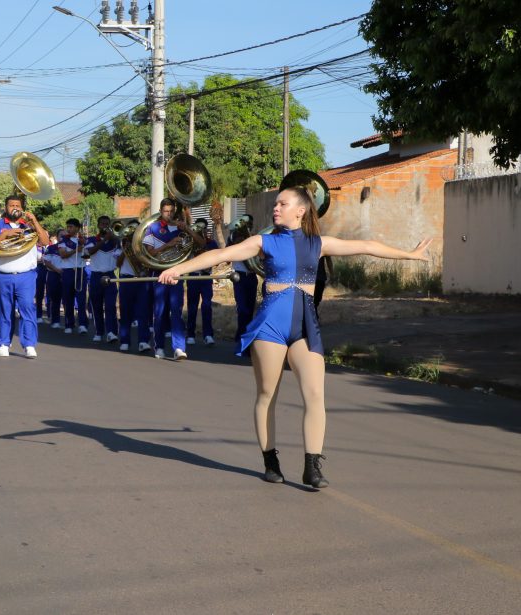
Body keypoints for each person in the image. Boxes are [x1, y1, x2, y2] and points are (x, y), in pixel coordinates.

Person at [158, 185, 432, 488]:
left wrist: (410, 255)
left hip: (305, 327)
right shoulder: (263, 242)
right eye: (275, 204)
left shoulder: (318, 243)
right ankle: (270, 460)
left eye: (282, 204)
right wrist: (180, 268)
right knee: (267, 396)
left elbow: (367, 245)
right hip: (270, 326)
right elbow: (221, 254)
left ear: (301, 210)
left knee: (315, 395)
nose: (275, 208)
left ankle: (312, 465)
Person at [0, 195, 49, 357]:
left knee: (27, 308)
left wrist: (34, 222)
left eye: (18, 205)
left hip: (25, 275)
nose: (15, 207)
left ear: (22, 208)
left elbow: (44, 241)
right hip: (2, 274)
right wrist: (5, 234)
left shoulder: (29, 226)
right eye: (11, 205)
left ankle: (29, 344)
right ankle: (4, 343)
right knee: (4, 310)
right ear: (5, 208)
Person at [143, 199, 204, 360]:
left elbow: (201, 243)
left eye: (171, 211)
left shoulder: (180, 228)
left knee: (176, 311)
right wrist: (169, 244)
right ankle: (160, 347)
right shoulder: (153, 228)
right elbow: (149, 253)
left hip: (176, 274)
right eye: (166, 211)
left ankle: (179, 348)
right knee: (160, 312)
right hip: (159, 274)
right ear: (161, 211)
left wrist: (188, 230)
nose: (169, 215)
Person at [84, 215, 119, 343]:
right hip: (96, 275)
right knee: (97, 306)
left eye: (107, 224)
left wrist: (113, 237)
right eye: (103, 224)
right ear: (98, 225)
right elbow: (88, 253)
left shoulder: (114, 241)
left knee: (110, 305)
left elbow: (121, 245)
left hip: (110, 275)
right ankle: (99, 332)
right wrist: (104, 240)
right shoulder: (92, 239)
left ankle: (112, 332)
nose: (105, 226)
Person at [228, 214, 259, 350]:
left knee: (250, 310)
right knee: (242, 309)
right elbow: (228, 254)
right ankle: (241, 338)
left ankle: (244, 338)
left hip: (252, 276)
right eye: (246, 224)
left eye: (249, 224)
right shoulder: (233, 237)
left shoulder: (255, 237)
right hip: (239, 276)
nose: (248, 226)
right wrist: (239, 242)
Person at [185, 219, 218, 346]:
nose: (200, 230)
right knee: (192, 307)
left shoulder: (211, 243)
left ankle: (208, 335)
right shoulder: (189, 242)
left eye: (203, 228)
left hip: (205, 277)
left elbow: (216, 258)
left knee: (206, 306)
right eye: (198, 228)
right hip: (193, 276)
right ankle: (190, 334)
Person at [58, 218, 89, 334]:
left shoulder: (83, 240)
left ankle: (82, 324)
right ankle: (69, 323)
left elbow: (88, 254)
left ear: (77, 228)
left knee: (81, 299)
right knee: (68, 299)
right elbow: (62, 255)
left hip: (80, 270)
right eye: (68, 227)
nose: (69, 229)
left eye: (71, 227)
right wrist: (76, 250)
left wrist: (83, 246)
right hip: (68, 271)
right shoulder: (63, 241)